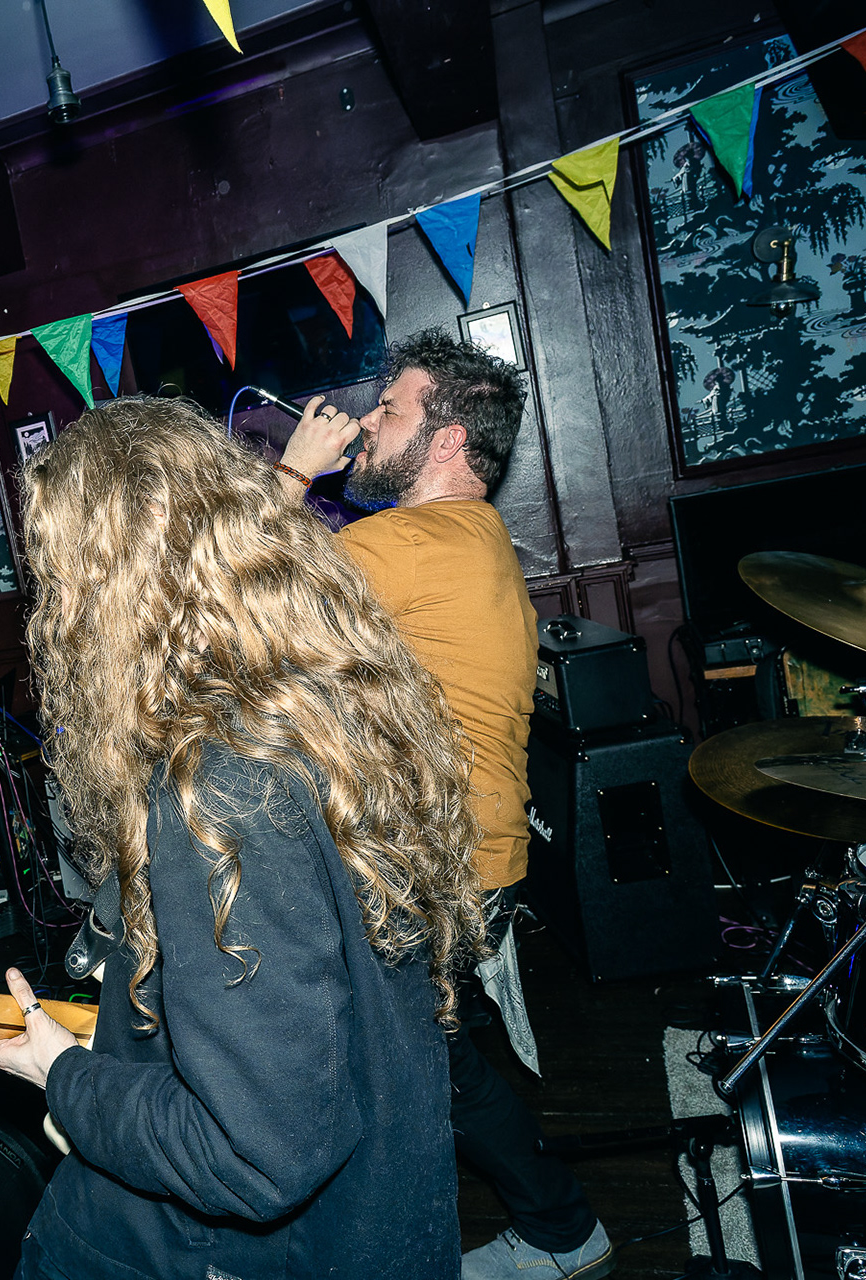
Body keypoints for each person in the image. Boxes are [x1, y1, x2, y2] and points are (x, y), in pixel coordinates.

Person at [0, 398, 485, 1279]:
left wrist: (69, 1079)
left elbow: (256, 1154)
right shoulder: (320, 691)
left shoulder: (219, 782)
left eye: (59, 572)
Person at [276, 329, 612, 1280]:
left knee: (397, 1068)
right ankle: (555, 1229)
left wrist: (297, 470)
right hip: (466, 864)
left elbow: (239, 602)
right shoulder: (468, 537)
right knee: (429, 1066)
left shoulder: (410, 543)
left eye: (392, 410)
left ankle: (544, 1234)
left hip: (434, 873)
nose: (369, 423)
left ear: (450, 442)